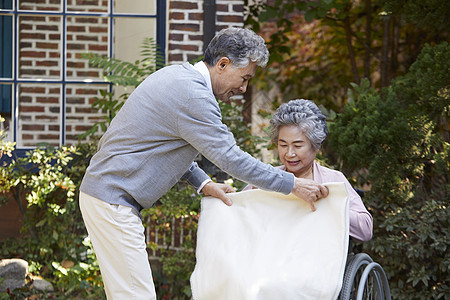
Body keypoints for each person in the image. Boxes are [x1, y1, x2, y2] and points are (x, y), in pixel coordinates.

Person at [79, 27, 328, 299]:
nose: (244, 88)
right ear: (223, 64)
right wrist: (291, 184)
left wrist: (204, 183)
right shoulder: (193, 96)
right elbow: (230, 158)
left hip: (108, 196)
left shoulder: (179, 78)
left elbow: (162, 147)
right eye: (244, 78)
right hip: (113, 200)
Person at [243, 99, 373, 242]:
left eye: (298, 146)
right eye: (283, 145)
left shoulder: (332, 179)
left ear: (315, 146)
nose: (289, 153)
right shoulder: (266, 178)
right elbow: (239, 215)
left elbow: (365, 229)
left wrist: (327, 205)